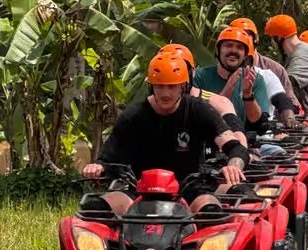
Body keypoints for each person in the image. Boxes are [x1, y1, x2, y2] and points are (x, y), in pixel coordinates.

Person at [81, 54, 249, 212]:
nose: (165, 93)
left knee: (211, 210)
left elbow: (236, 148)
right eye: (159, 86)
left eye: (171, 86)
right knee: (94, 208)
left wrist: (233, 166)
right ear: (151, 85)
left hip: (190, 188)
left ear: (183, 86)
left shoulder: (199, 110)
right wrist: (96, 167)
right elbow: (107, 158)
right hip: (140, 190)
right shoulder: (134, 115)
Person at [158, 43, 247, 146]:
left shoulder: (216, 101)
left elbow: (237, 132)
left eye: (179, 72)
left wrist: (238, 153)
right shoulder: (146, 108)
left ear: (192, 72)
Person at [193, 27, 270, 132]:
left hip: (242, 141)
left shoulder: (254, 79)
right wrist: (229, 87)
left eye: (239, 47)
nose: (234, 51)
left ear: (245, 55)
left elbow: (258, 122)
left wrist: (248, 95)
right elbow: (198, 119)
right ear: (218, 50)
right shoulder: (199, 76)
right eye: (228, 45)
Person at [229, 17, 300, 110]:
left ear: (256, 39)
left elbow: (292, 102)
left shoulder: (275, 70)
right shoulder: (225, 69)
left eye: (247, 35)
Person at [264, 14, 308, 113]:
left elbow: (286, 83)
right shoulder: (291, 55)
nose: (272, 43)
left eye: (272, 39)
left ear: (278, 38)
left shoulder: (304, 54)